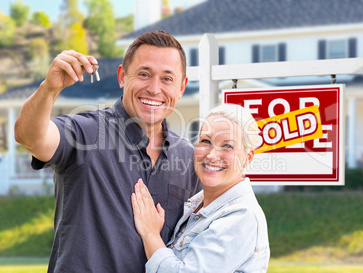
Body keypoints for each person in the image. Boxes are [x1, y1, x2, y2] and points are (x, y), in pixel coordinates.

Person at [14, 30, 202, 273]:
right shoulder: (86, 133)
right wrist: (49, 89)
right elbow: (29, 136)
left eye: (167, 78)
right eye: (144, 74)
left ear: (182, 87)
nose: (154, 89)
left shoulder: (188, 158)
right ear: (122, 76)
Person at [131, 104, 270, 272]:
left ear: (247, 158)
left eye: (227, 146)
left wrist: (151, 234)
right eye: (206, 141)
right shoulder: (196, 205)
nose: (211, 155)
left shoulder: (241, 217)